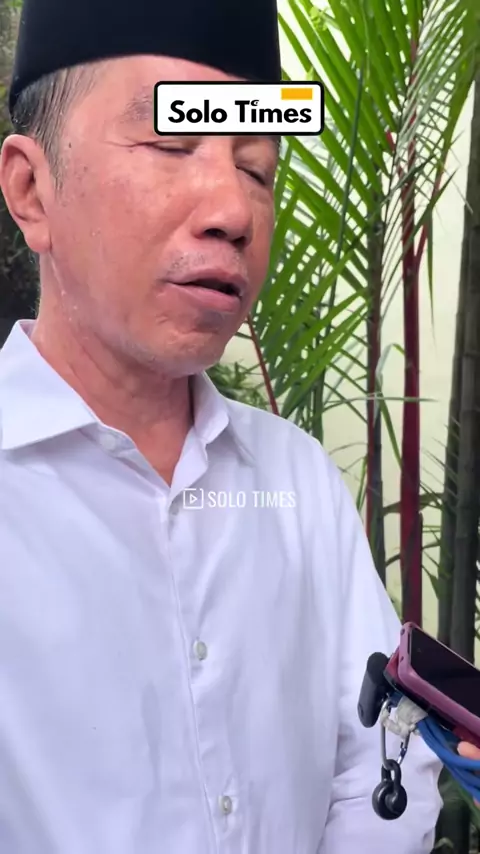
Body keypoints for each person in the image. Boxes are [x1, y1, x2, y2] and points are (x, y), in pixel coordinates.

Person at [0, 0, 445, 851]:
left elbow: (383, 759)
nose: (233, 211)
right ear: (32, 189)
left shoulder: (297, 479)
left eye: (258, 170)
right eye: (172, 146)